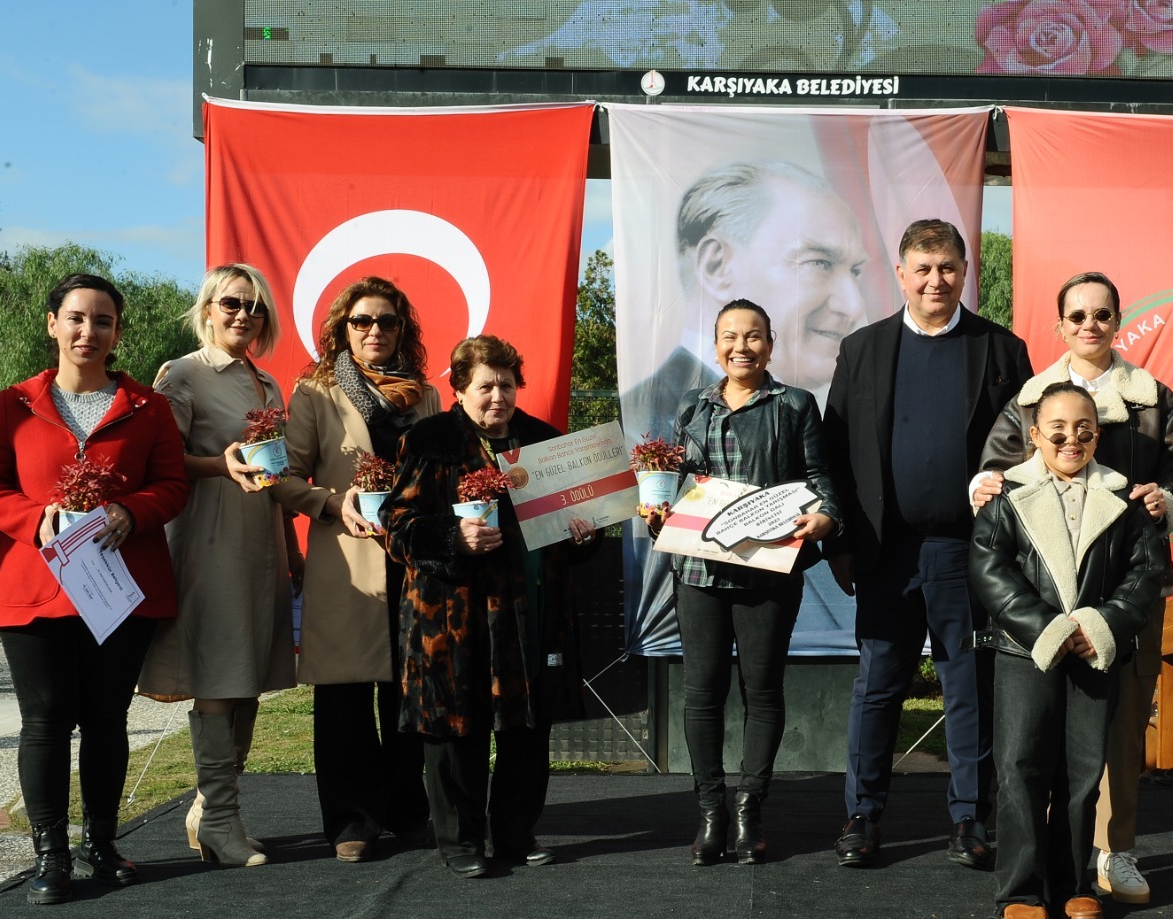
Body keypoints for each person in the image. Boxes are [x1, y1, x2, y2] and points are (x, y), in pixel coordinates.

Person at [971, 272, 1173, 903]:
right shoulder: (1026, 398)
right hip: (1041, 599)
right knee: (1028, 746)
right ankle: (1037, 874)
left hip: (1122, 590)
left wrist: (1171, 500)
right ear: (1059, 325)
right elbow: (995, 478)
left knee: (1121, 725)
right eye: (1077, 315)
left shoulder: (1153, 398)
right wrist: (981, 488)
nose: (1090, 325)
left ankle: (1117, 851)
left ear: (1118, 320)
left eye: (1102, 314)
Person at [0, 273, 189, 904]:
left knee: (106, 720)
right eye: (76, 318)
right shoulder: (14, 403)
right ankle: (50, 855)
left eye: (103, 321)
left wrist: (131, 511)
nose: (89, 331)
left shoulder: (148, 407)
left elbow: (173, 485)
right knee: (44, 722)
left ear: (118, 332)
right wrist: (33, 519)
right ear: (52, 324)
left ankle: (101, 843)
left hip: (119, 587)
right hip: (35, 588)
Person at [821, 217, 1033, 868]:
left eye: (947, 267)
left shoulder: (1001, 350)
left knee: (968, 688)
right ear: (901, 275)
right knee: (878, 686)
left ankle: (970, 821)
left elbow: (1026, 453)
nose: (936, 279)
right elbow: (833, 450)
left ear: (965, 272)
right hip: (885, 553)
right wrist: (842, 546)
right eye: (923, 267)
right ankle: (863, 816)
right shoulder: (861, 350)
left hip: (967, 553)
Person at [383, 335, 600, 877]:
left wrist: (583, 536)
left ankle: (514, 834)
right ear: (458, 389)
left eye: (506, 384)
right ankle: (458, 842)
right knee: (456, 727)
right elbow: (397, 526)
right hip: (449, 616)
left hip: (528, 612)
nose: (497, 396)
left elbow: (580, 535)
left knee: (527, 728)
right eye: (485, 386)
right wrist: (454, 536)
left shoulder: (545, 443)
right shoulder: (430, 440)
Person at [646, 299, 840, 865]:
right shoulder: (691, 406)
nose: (742, 347)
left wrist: (826, 516)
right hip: (698, 571)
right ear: (715, 345)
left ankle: (749, 810)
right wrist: (658, 506)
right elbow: (675, 477)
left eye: (754, 336)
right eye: (730, 336)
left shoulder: (795, 405)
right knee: (702, 693)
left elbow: (820, 478)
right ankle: (710, 811)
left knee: (763, 692)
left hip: (768, 567)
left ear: (771, 345)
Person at [969, 383, 1166, 919]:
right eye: (1057, 427)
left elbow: (1146, 573)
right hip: (1025, 654)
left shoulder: (1125, 500)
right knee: (1021, 768)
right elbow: (990, 573)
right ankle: (1023, 890)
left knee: (1083, 774)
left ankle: (1074, 883)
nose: (1070, 438)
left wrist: (1096, 626)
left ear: (1098, 435)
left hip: (1095, 655)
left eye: (1084, 428)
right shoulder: (1005, 498)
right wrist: (1050, 628)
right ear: (1034, 435)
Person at [274, 276, 441, 862]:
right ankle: (351, 820)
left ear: (403, 330)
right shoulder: (315, 391)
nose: (375, 331)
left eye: (388, 321)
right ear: (342, 328)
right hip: (346, 564)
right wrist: (328, 501)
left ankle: (406, 810)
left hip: (414, 562)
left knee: (407, 694)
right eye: (362, 321)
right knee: (344, 700)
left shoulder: (424, 396)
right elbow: (283, 477)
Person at [139, 263, 300, 868]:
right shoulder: (182, 374)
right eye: (231, 303)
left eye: (255, 306)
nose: (243, 315)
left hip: (261, 545)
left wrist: (294, 547)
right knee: (218, 677)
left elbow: (274, 475)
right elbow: (159, 462)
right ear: (207, 307)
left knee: (249, 678)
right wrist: (219, 464)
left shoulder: (268, 385)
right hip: (208, 544)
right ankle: (222, 821)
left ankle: (213, 813)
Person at [620, 160, 869, 444]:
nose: (854, 305)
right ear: (717, 266)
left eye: (856, 271)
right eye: (819, 262)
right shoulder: (643, 428)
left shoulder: (798, 408)